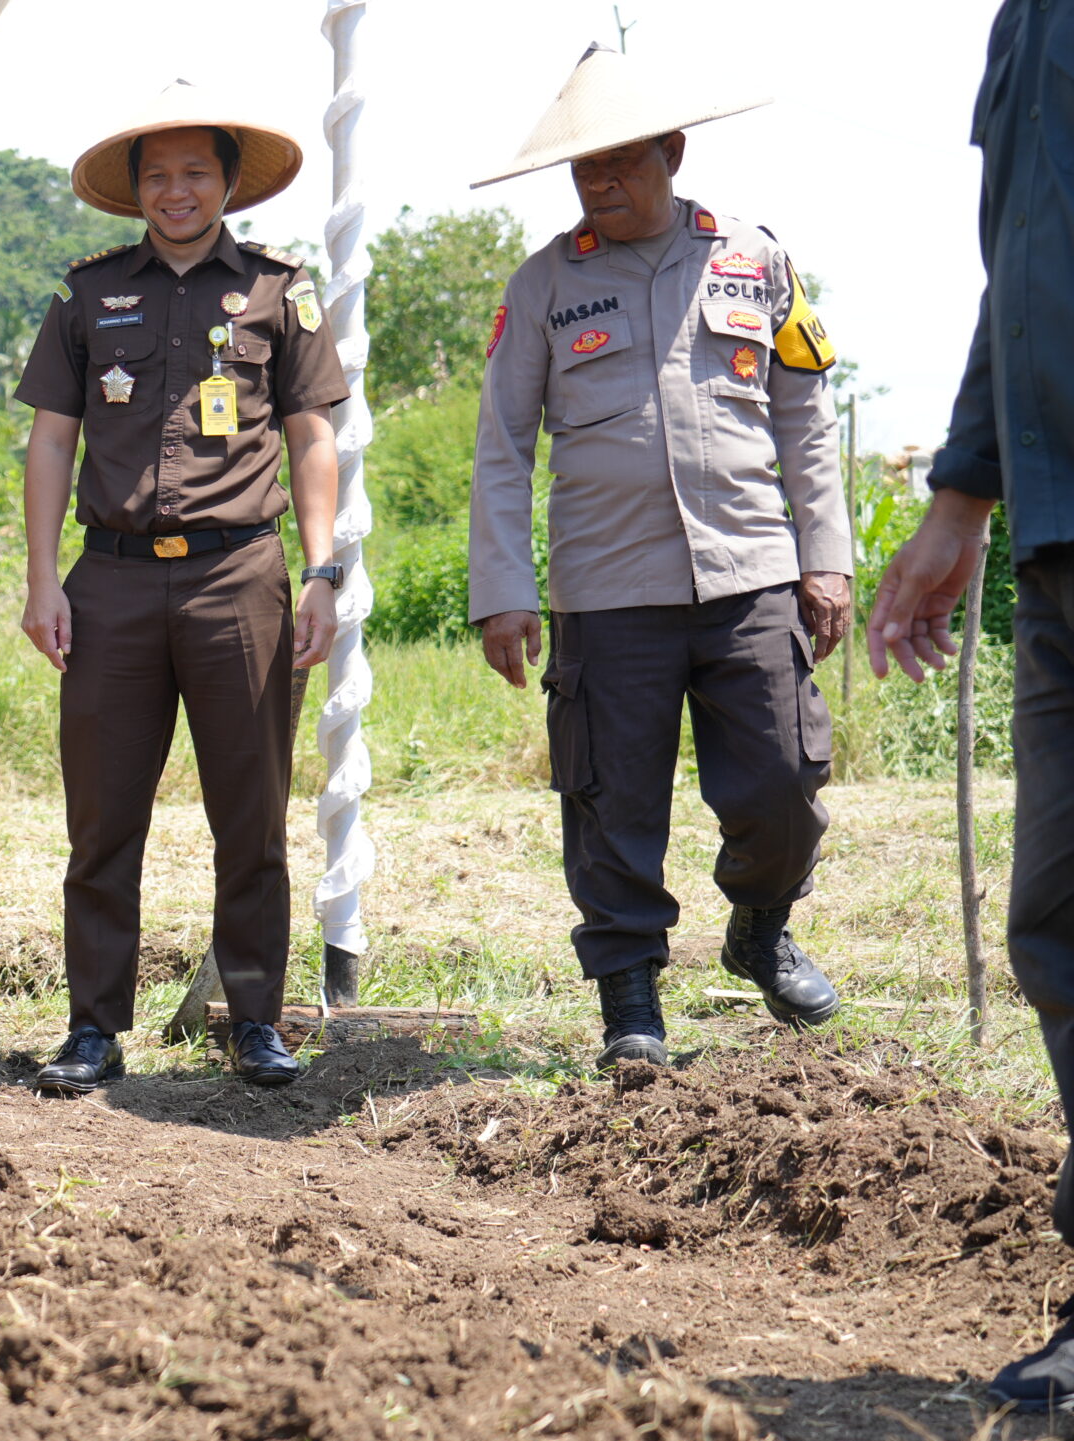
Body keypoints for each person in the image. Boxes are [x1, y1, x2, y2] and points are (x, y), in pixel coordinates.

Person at [467, 45, 851, 1070]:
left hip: (750, 577)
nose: (598, 183)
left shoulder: (754, 260)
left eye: (619, 164)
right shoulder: (546, 282)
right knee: (609, 804)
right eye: (582, 168)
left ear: (672, 152)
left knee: (782, 778)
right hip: (606, 594)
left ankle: (761, 929)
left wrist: (827, 557)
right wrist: (503, 591)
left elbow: (805, 421)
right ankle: (630, 1006)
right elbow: (502, 444)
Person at [12, 84, 344, 1095]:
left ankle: (253, 1019)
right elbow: (52, 439)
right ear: (134, 191)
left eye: (195, 171)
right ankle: (92, 1027)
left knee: (249, 811)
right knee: (102, 816)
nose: (175, 191)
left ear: (228, 183)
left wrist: (322, 568)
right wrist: (40, 581)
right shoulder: (85, 295)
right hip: (109, 583)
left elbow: (313, 437)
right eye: (156, 175)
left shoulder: (281, 293)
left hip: (239, 576)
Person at [867, 0, 1074, 1410]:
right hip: (1061, 534)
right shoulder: (1029, 22)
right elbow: (1027, 266)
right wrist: (962, 492)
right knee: (1057, 916)